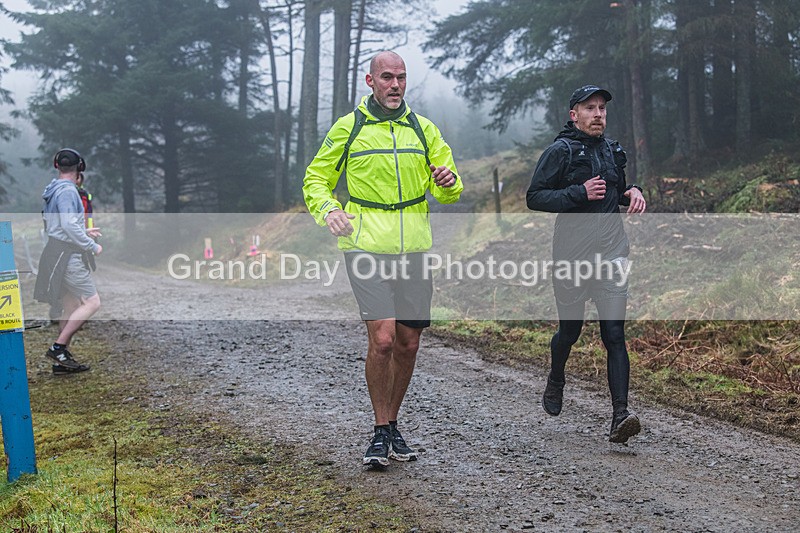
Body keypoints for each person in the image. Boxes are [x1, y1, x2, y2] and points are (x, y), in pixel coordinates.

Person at [303, 51, 463, 467]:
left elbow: (449, 188)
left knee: (409, 344)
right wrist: (329, 210)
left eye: (401, 78)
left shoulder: (423, 129)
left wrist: (447, 181)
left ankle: (393, 424)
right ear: (370, 81)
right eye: (387, 77)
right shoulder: (349, 128)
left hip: (414, 249)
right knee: (385, 339)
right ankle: (378, 431)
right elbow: (316, 178)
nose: (395, 85)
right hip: (366, 246)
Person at [526, 85, 646, 443]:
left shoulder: (612, 151)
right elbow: (535, 197)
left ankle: (620, 416)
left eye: (602, 108)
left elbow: (615, 191)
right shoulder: (560, 151)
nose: (598, 114)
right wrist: (578, 193)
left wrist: (633, 192)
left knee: (614, 335)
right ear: (573, 114)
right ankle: (556, 377)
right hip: (572, 257)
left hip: (612, 253)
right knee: (571, 332)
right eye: (589, 108)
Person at [34, 148, 102, 374]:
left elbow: (65, 224)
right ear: (80, 167)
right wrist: (91, 245)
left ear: (56, 165)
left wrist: (84, 231)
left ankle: (60, 362)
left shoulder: (55, 189)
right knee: (92, 303)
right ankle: (58, 347)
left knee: (71, 306)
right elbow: (68, 225)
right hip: (67, 255)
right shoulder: (67, 191)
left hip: (58, 251)